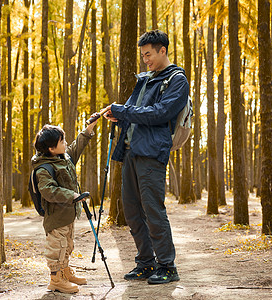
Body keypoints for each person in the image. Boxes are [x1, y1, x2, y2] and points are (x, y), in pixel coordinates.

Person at [103, 29, 189, 284]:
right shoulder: (145, 80)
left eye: (149, 54)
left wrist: (124, 111)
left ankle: (167, 266)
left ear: (163, 50)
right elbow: (134, 112)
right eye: (142, 55)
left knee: (153, 210)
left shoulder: (176, 80)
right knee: (131, 211)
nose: (145, 60)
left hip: (152, 153)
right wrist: (116, 115)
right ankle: (146, 263)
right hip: (130, 151)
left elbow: (159, 113)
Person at [31, 116, 98, 294]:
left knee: (67, 245)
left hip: (68, 213)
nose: (66, 143)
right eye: (62, 141)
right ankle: (56, 279)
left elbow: (77, 147)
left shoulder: (63, 158)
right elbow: (48, 190)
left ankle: (65, 271)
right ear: (51, 148)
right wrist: (73, 195)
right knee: (57, 247)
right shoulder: (43, 168)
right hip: (56, 216)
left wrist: (89, 128)